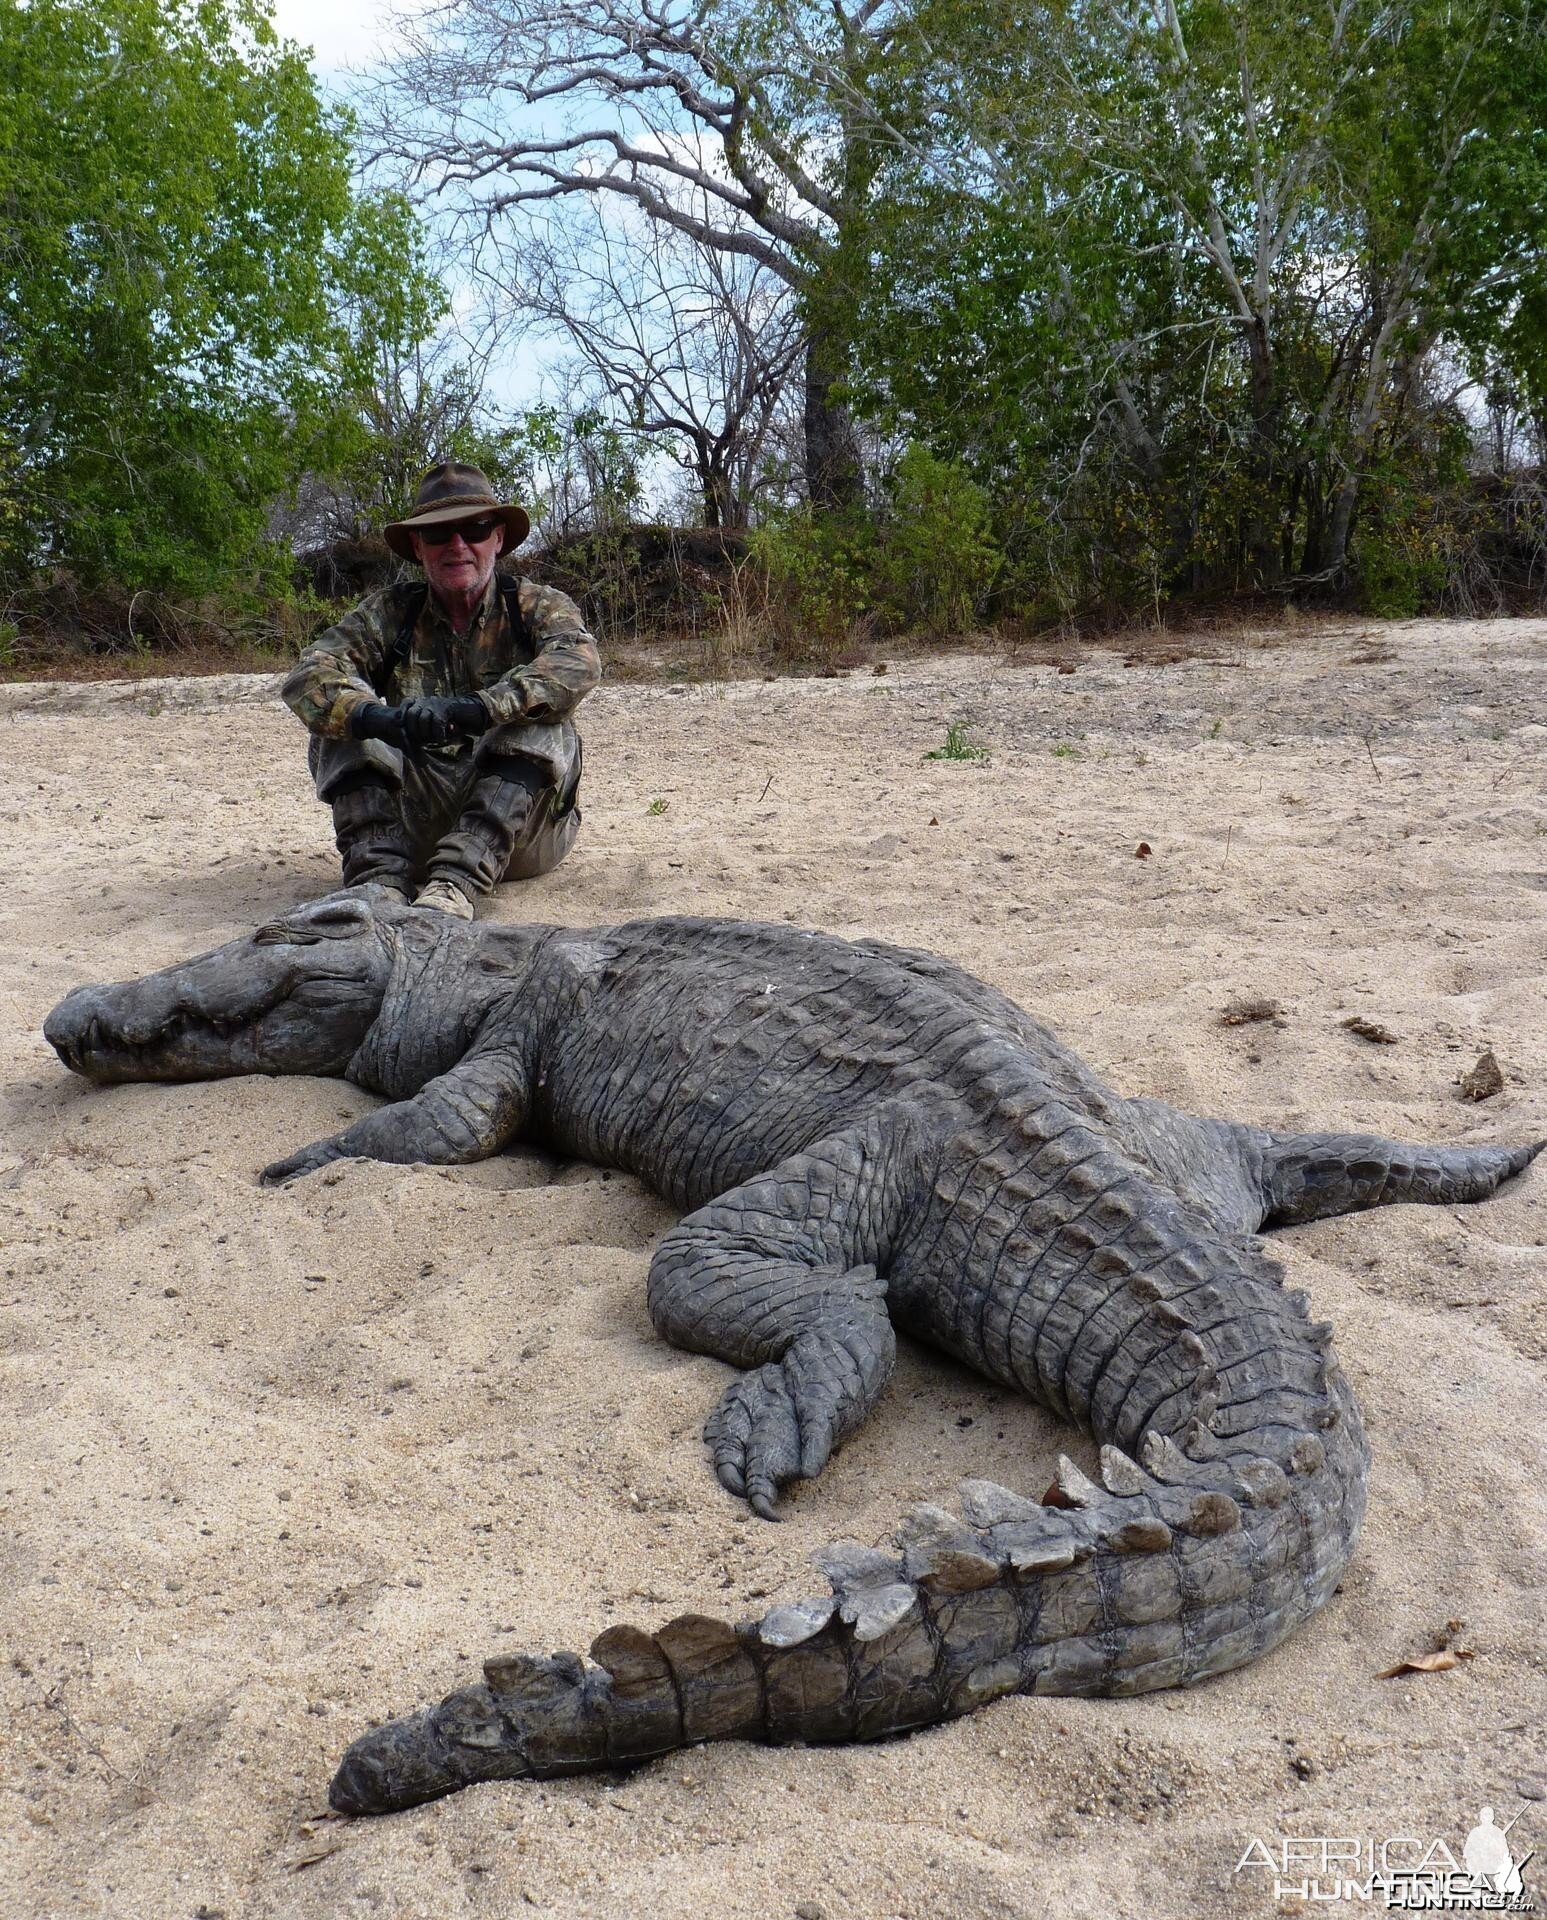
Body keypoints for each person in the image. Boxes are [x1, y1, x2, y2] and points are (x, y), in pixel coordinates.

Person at [281, 461, 601, 918]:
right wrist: (379, 718)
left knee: (545, 721)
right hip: (414, 822)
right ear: (417, 545)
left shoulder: (535, 605)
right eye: (437, 534)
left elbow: (578, 663)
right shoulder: (388, 615)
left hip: (523, 836)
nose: (457, 545)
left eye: (473, 529)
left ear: (498, 538)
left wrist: (479, 709)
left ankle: (458, 883)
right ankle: (377, 878)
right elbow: (307, 676)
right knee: (340, 720)